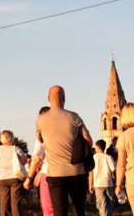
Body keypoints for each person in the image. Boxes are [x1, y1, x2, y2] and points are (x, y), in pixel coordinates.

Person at [33, 86, 93, 216]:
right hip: (77, 171)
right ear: (64, 98)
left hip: (55, 174)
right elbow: (89, 141)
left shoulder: (41, 120)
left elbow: (40, 139)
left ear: (48, 98)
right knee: (79, 209)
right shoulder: (74, 117)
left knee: (59, 211)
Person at [0, 130, 28, 216]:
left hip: (1, 177)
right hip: (15, 176)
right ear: (12, 138)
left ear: (1, 139)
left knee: (4, 201)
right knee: (15, 202)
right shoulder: (16, 148)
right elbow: (24, 160)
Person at [24, 106, 55, 216]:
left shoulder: (43, 133)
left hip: (49, 174)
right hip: (66, 173)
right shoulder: (65, 130)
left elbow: (37, 158)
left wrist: (28, 178)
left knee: (48, 209)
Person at [90, 139, 117, 216]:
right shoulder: (109, 157)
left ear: (98, 147)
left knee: (101, 203)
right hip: (108, 183)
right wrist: (114, 183)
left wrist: (90, 185)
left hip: (98, 183)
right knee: (109, 202)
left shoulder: (94, 157)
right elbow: (113, 171)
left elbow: (91, 172)